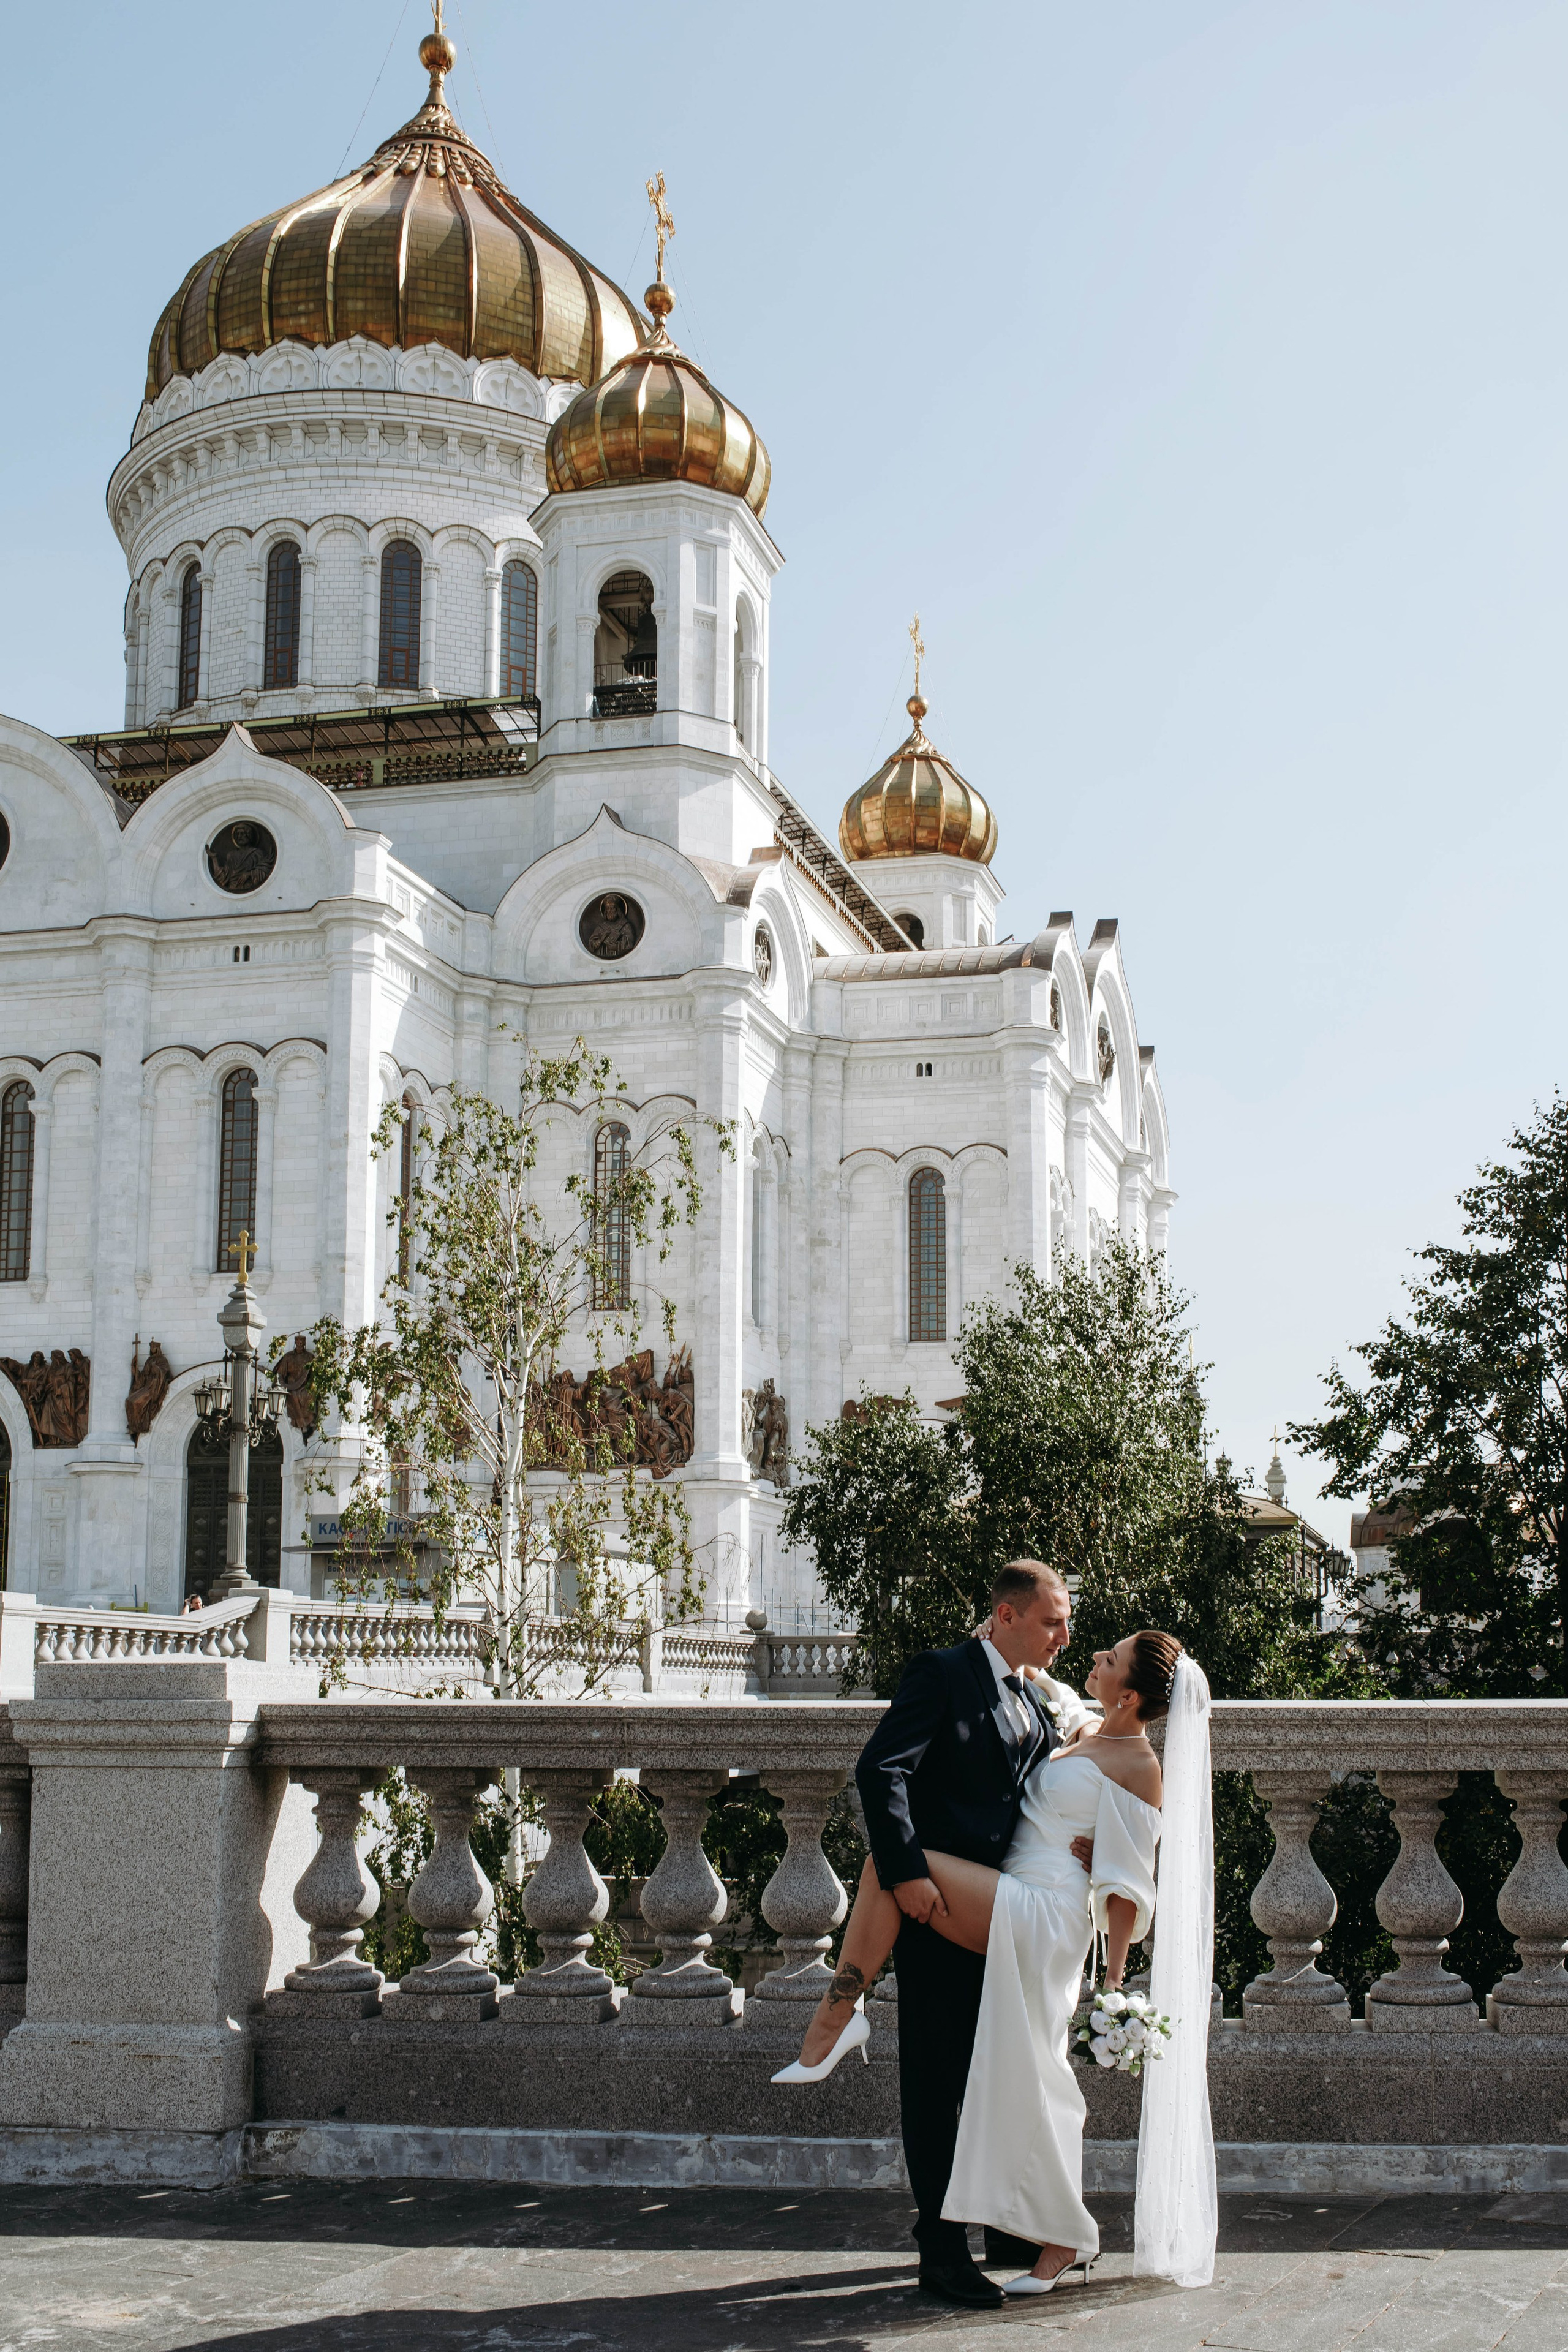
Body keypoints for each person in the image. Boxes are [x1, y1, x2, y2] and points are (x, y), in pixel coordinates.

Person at [776, 1597, 1218, 2303]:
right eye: (1070, 1634)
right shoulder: (1078, 1723)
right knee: (1027, 2080)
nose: (1088, 1653)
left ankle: (837, 2012)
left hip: (1044, 1917)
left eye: (1108, 1658)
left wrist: (1110, 1979)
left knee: (889, 1865)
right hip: (1013, 1897)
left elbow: (1133, 1884)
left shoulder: (1138, 1764)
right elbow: (1032, 1681)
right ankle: (1052, 2231)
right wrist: (990, 1639)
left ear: (1130, 1693)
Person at [774, 1561, 1100, 2309]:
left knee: (998, 2076)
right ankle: (940, 2250)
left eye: (1066, 1621)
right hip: (937, 1913)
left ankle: (1009, 2232)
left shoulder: (1034, 1695)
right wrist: (906, 1872)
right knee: (936, 2084)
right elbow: (879, 1770)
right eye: (1053, 1621)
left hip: (1005, 1911)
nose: (1064, 1635)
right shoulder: (943, 1673)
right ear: (1007, 1615)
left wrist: (1080, 1844)